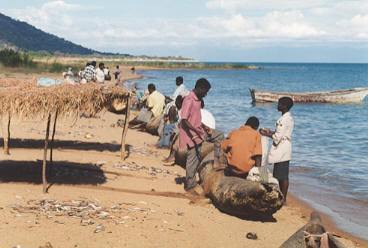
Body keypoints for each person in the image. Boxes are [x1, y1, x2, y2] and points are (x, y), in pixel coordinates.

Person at [179, 78, 211, 195]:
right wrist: (195, 131)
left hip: (197, 132)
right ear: (200, 88)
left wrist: (202, 126)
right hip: (191, 134)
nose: (206, 94)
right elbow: (184, 120)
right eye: (205, 91)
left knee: (196, 157)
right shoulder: (189, 99)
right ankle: (189, 184)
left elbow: (195, 117)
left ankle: (191, 180)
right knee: (192, 158)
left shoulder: (197, 99)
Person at [260, 97, 294, 203]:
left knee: (282, 176)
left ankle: (283, 199)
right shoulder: (286, 118)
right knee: (280, 174)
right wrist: (270, 131)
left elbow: (277, 137)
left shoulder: (284, 119)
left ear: (284, 106)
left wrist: (266, 134)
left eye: (279, 104)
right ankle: (282, 197)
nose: (277, 105)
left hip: (282, 149)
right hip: (284, 148)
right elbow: (279, 133)